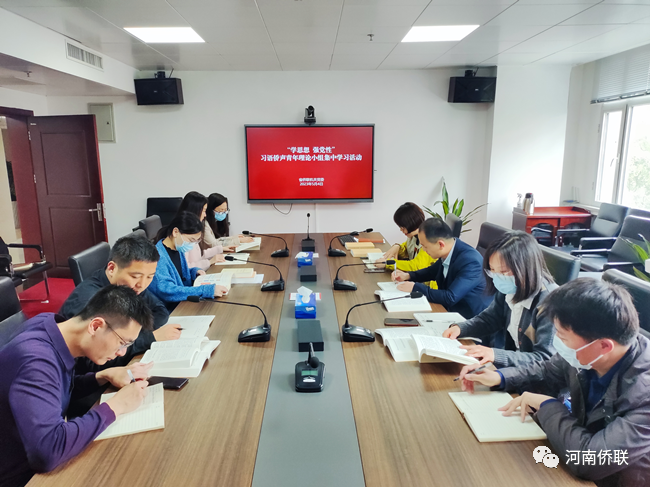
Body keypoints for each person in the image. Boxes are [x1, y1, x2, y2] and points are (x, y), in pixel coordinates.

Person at [460, 278, 650, 487]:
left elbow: (589, 461)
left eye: (563, 337)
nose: (558, 342)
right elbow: (547, 371)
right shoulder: (587, 353)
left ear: (604, 346)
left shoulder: (644, 395)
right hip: (570, 456)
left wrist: (547, 405)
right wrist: (501, 376)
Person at [0, 285, 154, 487]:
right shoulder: (37, 362)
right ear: (96, 326)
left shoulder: (50, 325)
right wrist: (117, 406)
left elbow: (56, 389)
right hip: (20, 475)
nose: (122, 353)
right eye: (123, 342)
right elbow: (47, 451)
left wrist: (101, 376)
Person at [442, 231, 557, 368]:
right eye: (492, 270)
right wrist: (461, 328)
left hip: (534, 377)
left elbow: (545, 360)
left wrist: (495, 355)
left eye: (503, 272)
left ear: (525, 268)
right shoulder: (510, 288)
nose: (497, 277)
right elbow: (490, 319)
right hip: (514, 370)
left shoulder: (550, 303)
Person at [60, 234, 182, 362]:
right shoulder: (89, 301)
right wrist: (149, 338)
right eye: (135, 277)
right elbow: (91, 362)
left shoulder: (130, 286)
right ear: (112, 268)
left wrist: (130, 335)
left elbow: (160, 311)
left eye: (150, 277)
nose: (142, 284)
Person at [393, 218, 491, 319]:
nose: (424, 250)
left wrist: (415, 288)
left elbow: (450, 297)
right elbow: (432, 271)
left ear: (440, 244)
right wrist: (408, 275)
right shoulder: (450, 250)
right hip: (450, 311)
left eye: (425, 246)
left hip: (471, 319)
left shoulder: (471, 262)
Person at [148, 211, 228, 311]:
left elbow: (179, 275)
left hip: (182, 304)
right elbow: (167, 291)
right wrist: (206, 290)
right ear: (175, 232)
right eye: (191, 240)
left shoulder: (177, 248)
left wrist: (194, 272)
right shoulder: (158, 257)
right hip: (170, 311)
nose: (192, 245)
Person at [178, 191, 235, 271]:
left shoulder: (193, 229)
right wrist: (210, 262)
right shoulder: (182, 235)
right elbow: (185, 267)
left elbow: (199, 256)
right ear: (195, 211)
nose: (205, 215)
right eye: (204, 211)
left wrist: (220, 249)